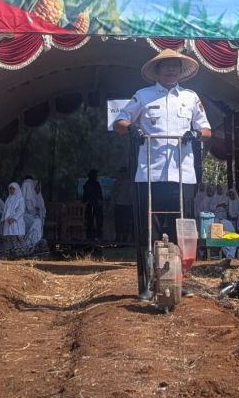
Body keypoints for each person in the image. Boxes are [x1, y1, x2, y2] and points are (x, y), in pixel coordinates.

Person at [112, 48, 211, 300]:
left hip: (182, 174)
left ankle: (178, 281)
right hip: (149, 174)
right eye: (166, 66)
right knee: (148, 231)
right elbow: (119, 123)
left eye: (175, 66)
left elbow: (206, 129)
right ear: (157, 70)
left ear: (181, 71)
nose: (171, 70)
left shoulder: (190, 97)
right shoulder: (143, 96)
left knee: (182, 230)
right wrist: (132, 129)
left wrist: (195, 133)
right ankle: (147, 284)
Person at [111, 168, 133, 245]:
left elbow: (131, 194)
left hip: (127, 205)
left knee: (125, 222)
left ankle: (124, 238)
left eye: (124, 173)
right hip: (119, 205)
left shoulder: (129, 183)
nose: (122, 175)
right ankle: (118, 237)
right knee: (119, 222)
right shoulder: (117, 182)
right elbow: (113, 194)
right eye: (121, 173)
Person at [82, 169, 104, 242]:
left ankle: (92, 235)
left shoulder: (88, 184)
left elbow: (85, 196)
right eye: (96, 175)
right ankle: (94, 235)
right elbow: (99, 195)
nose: (97, 176)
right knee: (93, 220)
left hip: (92, 204)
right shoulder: (94, 184)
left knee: (91, 220)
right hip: (93, 204)